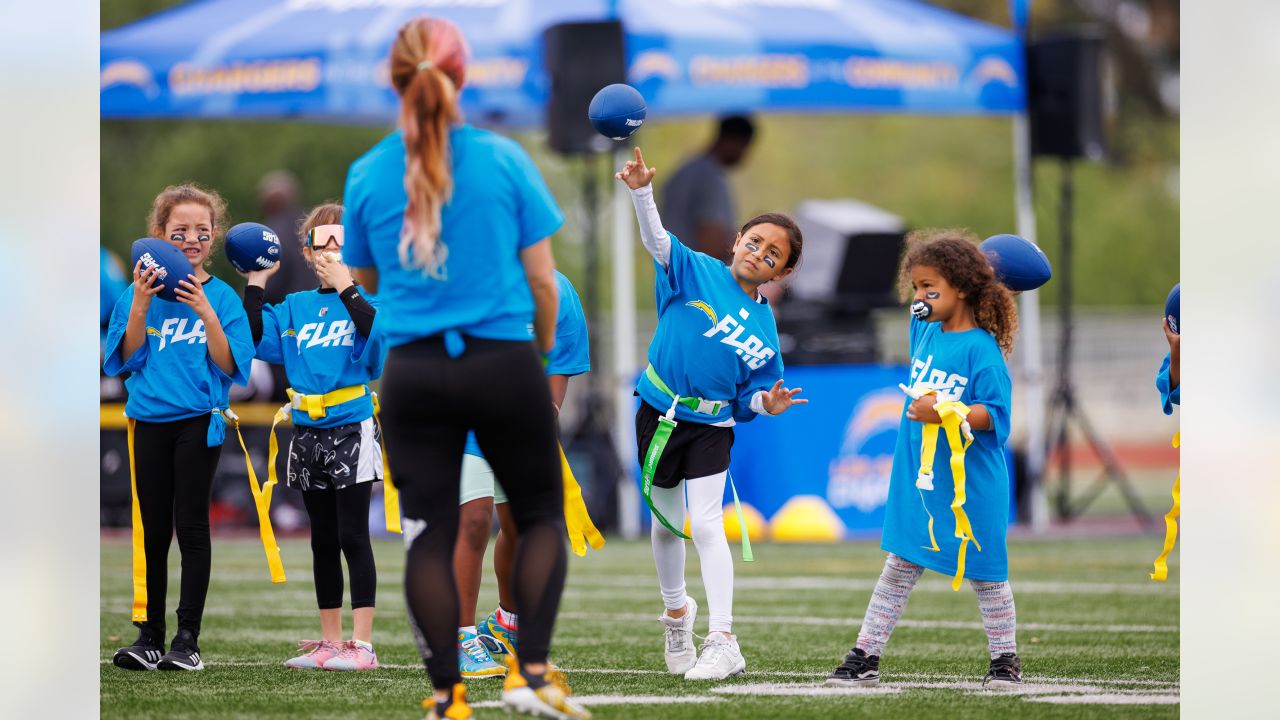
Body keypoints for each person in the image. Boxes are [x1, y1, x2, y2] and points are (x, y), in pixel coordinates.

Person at [340, 16, 588, 720]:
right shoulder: (504, 158)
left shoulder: (367, 171)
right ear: (463, 75)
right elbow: (544, 283)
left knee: (430, 533)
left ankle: (447, 696)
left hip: (412, 369)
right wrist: (535, 353)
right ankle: (530, 674)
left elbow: (368, 279)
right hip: (501, 357)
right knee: (539, 516)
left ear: (394, 79)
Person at [615, 147, 808, 681]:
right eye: (755, 240)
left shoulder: (767, 331)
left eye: (774, 253)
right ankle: (677, 614)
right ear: (736, 240)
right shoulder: (695, 270)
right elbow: (656, 241)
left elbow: (752, 394)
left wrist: (765, 404)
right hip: (658, 412)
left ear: (784, 272)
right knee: (666, 526)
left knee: (704, 522)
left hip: (711, 426)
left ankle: (723, 638)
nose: (760, 253)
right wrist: (641, 192)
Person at [824, 229, 1022, 689]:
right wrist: (935, 289)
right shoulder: (924, 329)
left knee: (987, 575)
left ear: (963, 290)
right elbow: (919, 305)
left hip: (971, 483)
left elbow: (995, 414)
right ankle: (866, 655)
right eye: (914, 287)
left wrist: (945, 410)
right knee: (898, 566)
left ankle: (1004, 660)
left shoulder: (982, 351)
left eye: (930, 288)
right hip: (921, 479)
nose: (918, 297)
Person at [103, 184, 255, 672]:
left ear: (213, 238)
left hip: (198, 422)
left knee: (190, 526)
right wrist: (143, 305)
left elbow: (232, 365)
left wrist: (205, 311)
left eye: (202, 232)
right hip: (147, 421)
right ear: (160, 237)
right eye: (180, 231)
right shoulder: (135, 293)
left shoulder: (225, 298)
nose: (192, 239)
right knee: (151, 530)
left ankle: (187, 640)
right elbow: (121, 363)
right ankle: (149, 636)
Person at [240, 204, 389, 672]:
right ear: (306, 252)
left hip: (351, 425)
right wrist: (256, 282)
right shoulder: (296, 308)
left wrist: (347, 286)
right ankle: (330, 641)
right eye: (321, 242)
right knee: (321, 539)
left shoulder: (367, 299)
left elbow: (380, 343)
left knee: (352, 535)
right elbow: (251, 334)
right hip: (307, 430)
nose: (330, 250)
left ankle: (362, 645)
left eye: (340, 242)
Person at [456, 270, 591, 679]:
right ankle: (458, 638)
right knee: (475, 519)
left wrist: (547, 412)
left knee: (520, 528)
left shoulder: (556, 286)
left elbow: (562, 358)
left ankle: (508, 625)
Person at [660, 114, 756, 264]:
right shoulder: (710, 178)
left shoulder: (687, 170)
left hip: (673, 271)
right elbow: (711, 243)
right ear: (736, 141)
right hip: (699, 277)